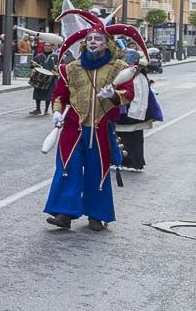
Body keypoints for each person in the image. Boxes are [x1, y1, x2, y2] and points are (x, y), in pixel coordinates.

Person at [43, 20, 140, 231]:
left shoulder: (119, 68)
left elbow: (128, 94)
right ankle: (64, 214)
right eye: (89, 39)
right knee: (68, 168)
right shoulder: (71, 68)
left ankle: (97, 214)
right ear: (84, 44)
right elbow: (60, 94)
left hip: (101, 128)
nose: (93, 42)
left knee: (98, 170)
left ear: (107, 44)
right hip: (72, 127)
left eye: (98, 39)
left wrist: (114, 94)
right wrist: (58, 111)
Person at [115, 50, 161, 172]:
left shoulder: (139, 78)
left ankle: (133, 162)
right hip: (124, 113)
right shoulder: (126, 75)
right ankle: (121, 160)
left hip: (131, 114)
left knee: (133, 138)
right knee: (120, 137)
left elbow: (140, 97)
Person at [29, 47, 57, 116]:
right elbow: (31, 65)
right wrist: (33, 65)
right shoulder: (39, 56)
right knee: (38, 93)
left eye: (48, 46)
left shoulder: (56, 57)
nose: (47, 47)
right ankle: (38, 109)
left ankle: (46, 110)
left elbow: (61, 65)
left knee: (48, 94)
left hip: (51, 78)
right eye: (45, 46)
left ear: (51, 46)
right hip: (39, 78)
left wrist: (56, 68)